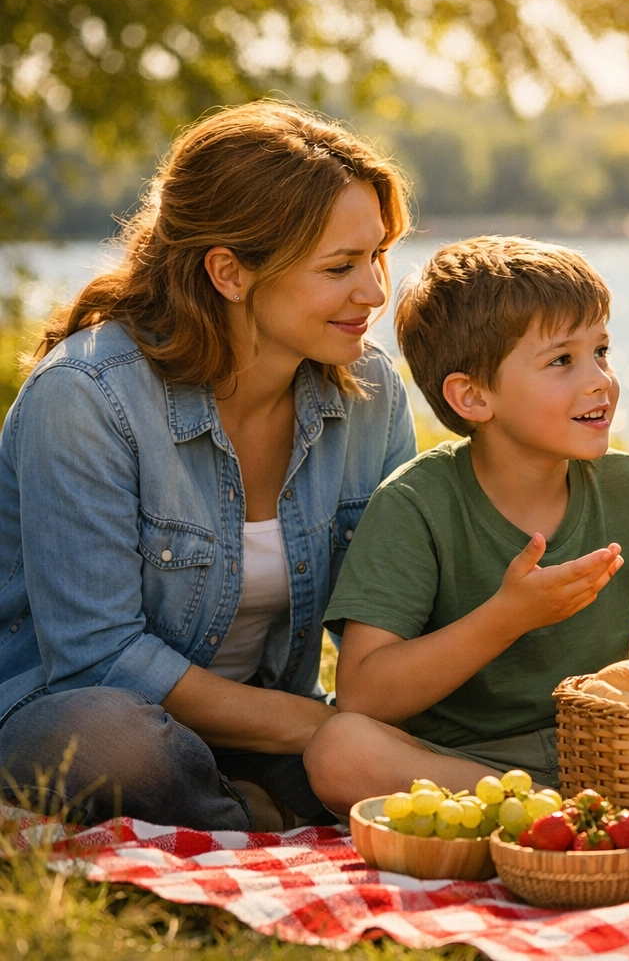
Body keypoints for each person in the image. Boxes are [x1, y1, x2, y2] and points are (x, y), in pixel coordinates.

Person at [0, 101, 417, 831]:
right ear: (229, 272)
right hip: (68, 715)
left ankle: (239, 812)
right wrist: (322, 731)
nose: (375, 292)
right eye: (339, 267)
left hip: (265, 723)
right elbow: (100, 659)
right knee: (116, 742)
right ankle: (258, 818)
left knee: (419, 743)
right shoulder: (86, 396)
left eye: (377, 256)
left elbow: (392, 623)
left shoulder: (370, 392)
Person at [303, 237, 629, 812]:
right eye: (561, 360)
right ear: (472, 397)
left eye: (601, 351)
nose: (599, 380)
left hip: (606, 750)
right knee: (338, 750)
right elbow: (363, 695)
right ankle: (549, 807)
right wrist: (507, 617)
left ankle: (568, 811)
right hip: (461, 766)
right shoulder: (415, 503)